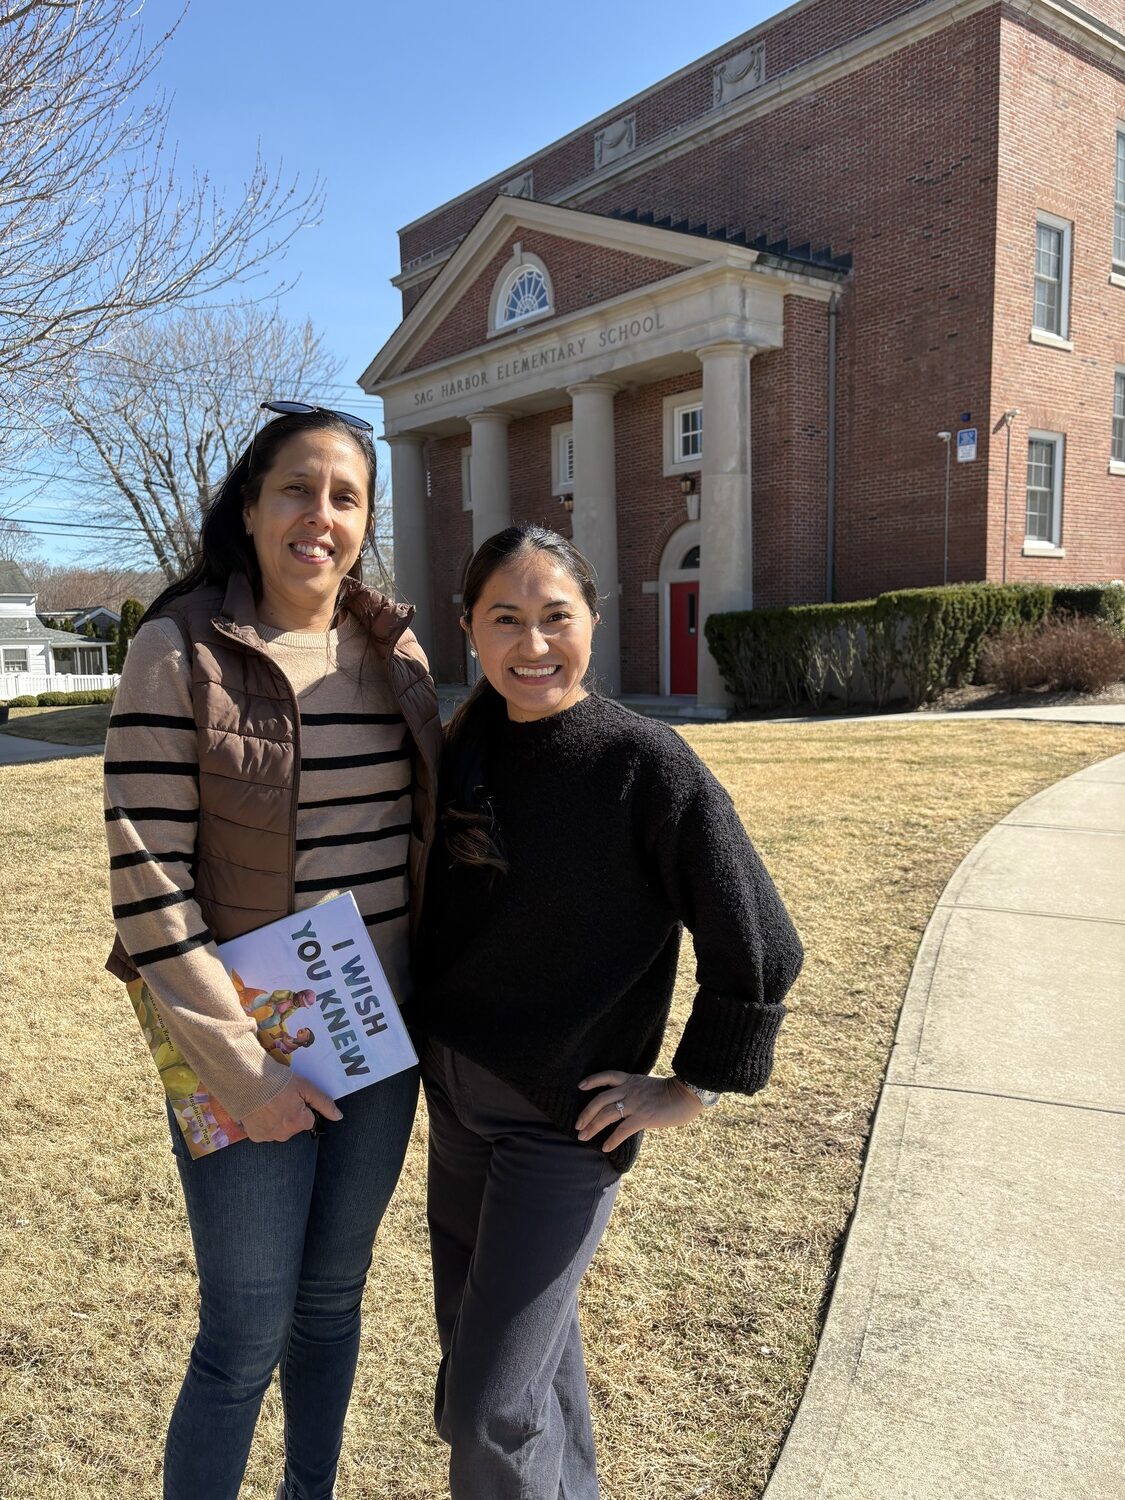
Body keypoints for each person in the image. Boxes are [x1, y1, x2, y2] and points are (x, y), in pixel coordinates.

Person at [414, 523, 805, 1500]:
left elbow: (760, 939)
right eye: (505, 620)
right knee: (511, 1365)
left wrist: (693, 1087)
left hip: (565, 1127)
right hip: (457, 1110)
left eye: (557, 617)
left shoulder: (644, 763)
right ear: (470, 630)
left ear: (595, 620)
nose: (533, 645)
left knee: (484, 1405)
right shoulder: (462, 748)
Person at [103, 402, 442, 1500]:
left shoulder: (399, 650)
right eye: (297, 489)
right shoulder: (180, 649)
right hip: (242, 1045)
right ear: (249, 508)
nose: (321, 516)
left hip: (378, 1038)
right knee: (243, 1332)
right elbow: (149, 885)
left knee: (334, 1300)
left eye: (347, 496)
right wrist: (243, 1075)